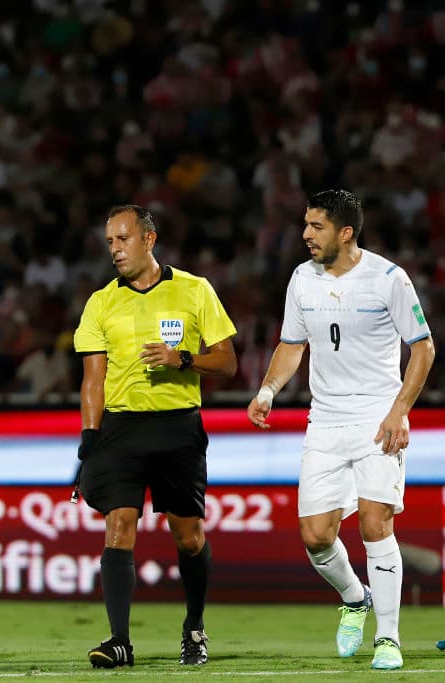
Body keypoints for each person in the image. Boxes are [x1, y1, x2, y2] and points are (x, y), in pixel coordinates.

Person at [247, 189, 435, 671]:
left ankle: (387, 639)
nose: (306, 235)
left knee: (376, 522)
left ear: (345, 232)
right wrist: (268, 390)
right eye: (306, 225)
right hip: (325, 420)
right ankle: (355, 598)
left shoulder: (388, 279)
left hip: (377, 417)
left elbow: (424, 349)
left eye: (316, 227)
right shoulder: (301, 280)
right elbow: (292, 345)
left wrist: (399, 411)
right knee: (315, 535)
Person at [73, 205, 237, 669]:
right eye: (109, 242)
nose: (115, 250)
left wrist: (182, 358)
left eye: (123, 239)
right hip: (121, 430)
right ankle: (119, 641)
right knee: (119, 524)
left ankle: (194, 627)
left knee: (187, 537)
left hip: (178, 426)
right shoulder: (101, 302)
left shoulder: (194, 290)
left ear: (149, 239)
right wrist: (89, 440)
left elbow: (226, 361)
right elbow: (93, 380)